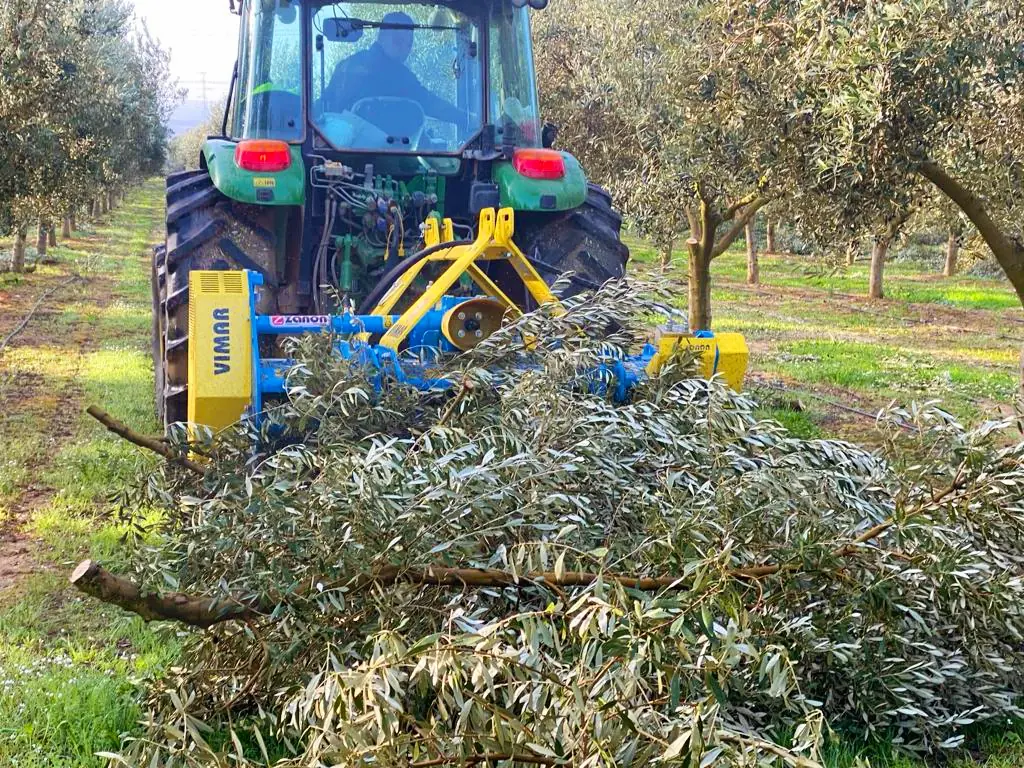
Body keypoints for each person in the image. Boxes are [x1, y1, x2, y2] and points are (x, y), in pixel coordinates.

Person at [325, 11, 463, 129]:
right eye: (398, 41)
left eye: (409, 44)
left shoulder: (346, 64)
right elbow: (430, 103)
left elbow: (324, 104)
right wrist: (465, 118)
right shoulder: (398, 75)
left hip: (341, 150)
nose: (404, 49)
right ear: (381, 37)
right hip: (374, 149)